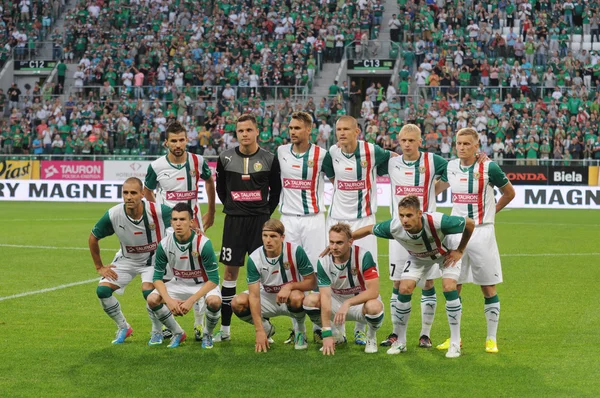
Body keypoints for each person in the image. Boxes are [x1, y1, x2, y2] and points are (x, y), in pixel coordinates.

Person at [353, 195, 476, 358]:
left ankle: (454, 342)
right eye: (401, 215)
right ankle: (401, 342)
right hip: (418, 257)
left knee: (448, 286)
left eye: (409, 215)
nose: (404, 220)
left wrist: (460, 250)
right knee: (404, 289)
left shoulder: (438, 222)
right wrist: (346, 240)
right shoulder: (394, 227)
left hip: (446, 254)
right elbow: (369, 229)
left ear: (419, 214)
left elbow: (469, 223)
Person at [436, 127, 515, 354]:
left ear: (476, 146)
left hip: (482, 233)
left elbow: (509, 193)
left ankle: (491, 338)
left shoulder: (489, 166)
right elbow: (434, 183)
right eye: (459, 143)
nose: (462, 147)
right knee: (453, 285)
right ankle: (454, 338)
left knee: (488, 287)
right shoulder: (450, 167)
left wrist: (492, 213)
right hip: (456, 233)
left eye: (467, 144)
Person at [322, 115, 393, 345]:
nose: (341, 133)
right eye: (338, 129)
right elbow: (330, 176)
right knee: (333, 271)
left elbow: (395, 160)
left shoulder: (372, 151)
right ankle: (337, 328)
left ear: (357, 132)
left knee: (364, 274)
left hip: (364, 221)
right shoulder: (332, 153)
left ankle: (361, 330)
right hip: (336, 218)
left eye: (345, 129)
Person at [375, 124, 447, 348]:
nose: (406, 144)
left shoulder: (433, 161)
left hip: (427, 232)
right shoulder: (391, 162)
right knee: (398, 283)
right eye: (403, 140)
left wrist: (435, 190)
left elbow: (456, 171)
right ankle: (396, 333)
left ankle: (425, 334)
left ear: (420, 141)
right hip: (399, 231)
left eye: (411, 140)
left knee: (427, 283)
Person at [144, 121, 216, 340]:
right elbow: (147, 191)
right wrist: (160, 213)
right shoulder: (156, 166)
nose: (178, 144)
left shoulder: (197, 161)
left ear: (187, 140)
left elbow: (209, 182)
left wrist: (211, 212)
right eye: (173, 140)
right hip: (168, 228)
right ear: (166, 142)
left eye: (181, 140)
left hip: (194, 224)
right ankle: (166, 326)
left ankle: (198, 324)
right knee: (164, 276)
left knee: (198, 274)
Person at [215, 114, 282, 342]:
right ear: (237, 133)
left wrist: (264, 212)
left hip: (259, 223)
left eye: (248, 130)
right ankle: (224, 330)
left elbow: (276, 191)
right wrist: (234, 208)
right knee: (230, 273)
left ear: (257, 132)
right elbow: (221, 190)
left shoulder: (269, 159)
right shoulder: (224, 158)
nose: (244, 134)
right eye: (240, 131)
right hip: (234, 222)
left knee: (262, 274)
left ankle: (265, 326)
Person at [88, 178, 171, 344]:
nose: (129, 197)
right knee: (102, 292)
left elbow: (181, 218)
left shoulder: (159, 211)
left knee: (149, 293)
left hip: (154, 260)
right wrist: (99, 267)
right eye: (125, 193)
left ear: (142, 194)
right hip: (126, 259)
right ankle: (124, 327)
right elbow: (93, 238)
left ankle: (157, 331)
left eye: (133, 193)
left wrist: (194, 229)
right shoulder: (114, 214)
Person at [276, 111, 328, 343]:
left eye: (297, 128)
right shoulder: (281, 152)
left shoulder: (322, 155)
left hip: (314, 219)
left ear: (309, 130)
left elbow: (340, 181)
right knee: (291, 273)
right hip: (288, 219)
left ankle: (319, 325)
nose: (293, 132)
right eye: (291, 128)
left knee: (317, 272)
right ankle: (297, 329)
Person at [231, 219, 317, 352]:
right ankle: (266, 329)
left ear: (282, 237)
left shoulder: (295, 251)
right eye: (265, 236)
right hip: (267, 297)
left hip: (292, 296)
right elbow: (254, 296)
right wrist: (259, 330)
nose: (268, 240)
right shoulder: (255, 258)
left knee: (296, 296)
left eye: (273, 236)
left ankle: (300, 332)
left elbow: (312, 282)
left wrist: (289, 286)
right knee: (238, 302)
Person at [146, 203, 221, 349]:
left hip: (203, 284)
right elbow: (157, 278)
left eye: (182, 219)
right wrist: (169, 301)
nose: (178, 223)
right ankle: (177, 332)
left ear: (191, 222)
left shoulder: (203, 244)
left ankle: (207, 334)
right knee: (152, 299)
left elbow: (214, 280)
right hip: (179, 282)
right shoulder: (164, 244)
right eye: (175, 219)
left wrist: (191, 301)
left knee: (214, 302)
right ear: (171, 222)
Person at [303, 223, 384, 355]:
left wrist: (348, 303)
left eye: (339, 243)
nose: (334, 247)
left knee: (375, 307)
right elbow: (325, 298)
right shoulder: (324, 261)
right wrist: (327, 332)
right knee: (310, 301)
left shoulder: (364, 256)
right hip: (335, 302)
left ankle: (371, 336)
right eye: (331, 242)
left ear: (350, 242)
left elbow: (373, 291)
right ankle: (336, 334)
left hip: (359, 303)